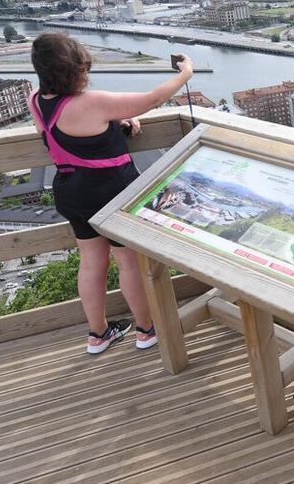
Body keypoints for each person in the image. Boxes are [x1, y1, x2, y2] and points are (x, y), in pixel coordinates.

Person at [29, 32, 194, 354]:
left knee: (91, 263)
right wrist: (186, 72)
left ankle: (98, 334)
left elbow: (77, 129)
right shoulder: (92, 102)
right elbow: (152, 100)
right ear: (76, 68)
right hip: (109, 190)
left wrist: (118, 120)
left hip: (69, 189)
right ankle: (147, 330)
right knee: (128, 262)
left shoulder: (36, 100)